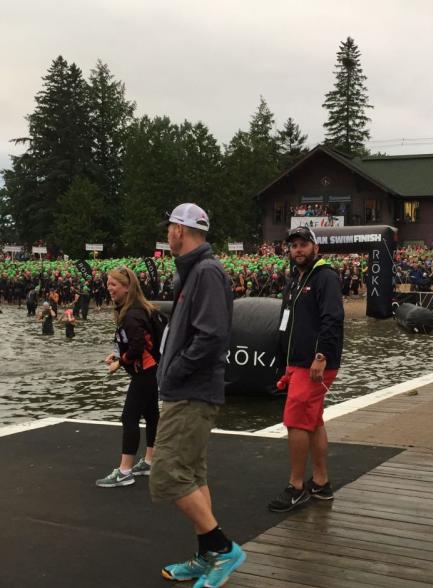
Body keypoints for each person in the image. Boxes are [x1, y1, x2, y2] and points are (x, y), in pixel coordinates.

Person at [152, 203, 244, 587]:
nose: (167, 233)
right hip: (187, 390)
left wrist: (175, 370)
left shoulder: (205, 272)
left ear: (181, 230)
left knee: (166, 475)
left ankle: (222, 550)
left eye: (170, 226)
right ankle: (208, 554)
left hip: (191, 391)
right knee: (191, 473)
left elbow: (212, 336)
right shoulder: (192, 273)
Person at [270, 226, 344, 513]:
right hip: (297, 362)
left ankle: (296, 486)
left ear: (315, 247)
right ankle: (321, 483)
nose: (298, 250)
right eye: (293, 246)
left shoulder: (325, 277)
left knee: (297, 421)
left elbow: (332, 318)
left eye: (303, 244)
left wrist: (321, 355)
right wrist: (282, 361)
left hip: (315, 363)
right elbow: (286, 321)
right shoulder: (294, 279)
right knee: (313, 421)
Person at [96, 266, 160, 488]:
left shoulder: (132, 314)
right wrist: (115, 353)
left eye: (113, 284)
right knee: (152, 415)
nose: (109, 288)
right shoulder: (136, 309)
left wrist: (120, 362)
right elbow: (136, 340)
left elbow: (138, 345)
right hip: (150, 371)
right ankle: (150, 461)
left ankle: (125, 471)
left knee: (129, 418)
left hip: (144, 372)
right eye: (108, 283)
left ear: (127, 287)